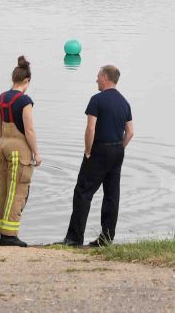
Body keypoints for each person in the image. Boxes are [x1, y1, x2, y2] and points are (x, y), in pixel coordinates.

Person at [60, 65, 133, 247]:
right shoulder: (124, 102)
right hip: (117, 150)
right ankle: (106, 239)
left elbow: (91, 128)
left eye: (98, 76)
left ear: (106, 77)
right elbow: (130, 132)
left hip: (99, 149)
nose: (96, 79)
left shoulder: (97, 100)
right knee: (111, 194)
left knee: (83, 191)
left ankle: (74, 238)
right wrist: (119, 148)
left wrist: (88, 150)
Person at [0, 56, 41, 247]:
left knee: (4, 190)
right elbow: (29, 130)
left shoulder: (1, 98)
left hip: (2, 145)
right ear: (27, 81)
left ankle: (1, 230)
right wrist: (36, 153)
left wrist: (5, 140)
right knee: (18, 191)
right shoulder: (25, 101)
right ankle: (10, 235)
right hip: (19, 149)